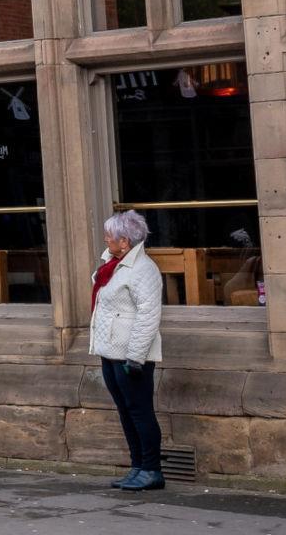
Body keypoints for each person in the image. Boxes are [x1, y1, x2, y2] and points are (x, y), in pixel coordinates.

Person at [92, 209, 165, 492]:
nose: (105, 239)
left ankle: (152, 470)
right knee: (125, 410)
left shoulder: (143, 269)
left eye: (110, 235)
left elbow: (148, 316)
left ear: (125, 241)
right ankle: (137, 466)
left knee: (140, 411)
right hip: (111, 351)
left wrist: (135, 357)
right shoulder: (113, 265)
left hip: (131, 356)